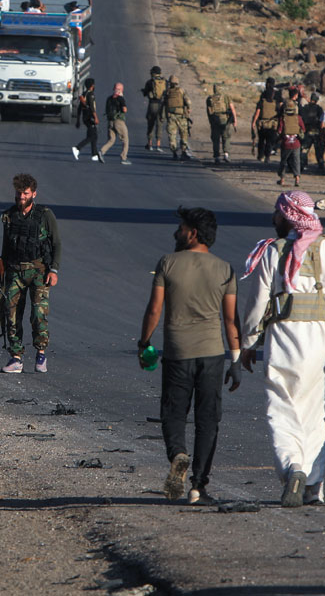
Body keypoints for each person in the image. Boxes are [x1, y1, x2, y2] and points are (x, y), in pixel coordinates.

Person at [239, 190, 325, 507]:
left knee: (282, 407)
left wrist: (247, 344)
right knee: (317, 412)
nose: (273, 218)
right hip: (324, 343)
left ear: (286, 216)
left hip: (284, 339)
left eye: (276, 212)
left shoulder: (273, 252)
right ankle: (314, 485)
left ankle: (293, 468)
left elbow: (257, 304)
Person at [138, 206, 241, 505]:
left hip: (177, 353)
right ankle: (198, 486)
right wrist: (235, 361)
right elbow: (230, 321)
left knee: (173, 412)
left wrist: (144, 342)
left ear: (193, 233)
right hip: (212, 354)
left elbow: (154, 309)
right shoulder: (225, 269)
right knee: (208, 419)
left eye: (181, 228)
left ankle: (178, 455)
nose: (176, 233)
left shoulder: (167, 263)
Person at [0, 173, 60, 374]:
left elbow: (56, 243)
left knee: (38, 314)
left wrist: (54, 270)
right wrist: (3, 273)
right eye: (18, 193)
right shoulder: (9, 216)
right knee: (11, 313)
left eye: (25, 193)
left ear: (34, 194)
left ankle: (41, 353)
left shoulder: (45, 215)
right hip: (15, 271)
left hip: (39, 272)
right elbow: (6, 247)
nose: (21, 197)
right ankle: (16, 357)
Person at [70, 77, 101, 162]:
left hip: (85, 117)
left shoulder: (84, 94)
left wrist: (78, 120)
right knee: (92, 136)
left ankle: (94, 154)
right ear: (92, 85)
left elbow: (80, 107)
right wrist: (96, 117)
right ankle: (77, 148)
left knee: (93, 134)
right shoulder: (91, 94)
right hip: (89, 117)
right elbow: (92, 107)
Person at [100, 82, 132, 165]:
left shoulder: (109, 98)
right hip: (119, 121)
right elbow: (124, 110)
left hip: (110, 121)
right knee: (125, 139)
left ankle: (102, 152)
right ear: (121, 90)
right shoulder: (120, 98)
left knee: (111, 139)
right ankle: (124, 157)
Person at [205, 83, 237, 164]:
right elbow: (232, 109)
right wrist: (235, 120)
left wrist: (211, 122)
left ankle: (216, 157)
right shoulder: (226, 97)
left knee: (215, 139)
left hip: (214, 120)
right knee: (226, 137)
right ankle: (226, 154)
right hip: (225, 120)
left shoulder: (209, 99)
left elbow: (208, 112)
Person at [277, 96, 304, 187]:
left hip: (286, 143)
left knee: (284, 161)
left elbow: (279, 131)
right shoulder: (298, 118)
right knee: (296, 161)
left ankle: (282, 179)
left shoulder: (283, 118)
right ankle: (297, 179)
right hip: (296, 143)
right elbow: (303, 129)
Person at [163, 75, 192, 161]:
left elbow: (164, 104)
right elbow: (188, 102)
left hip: (171, 117)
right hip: (181, 116)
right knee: (184, 134)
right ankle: (183, 152)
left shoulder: (167, 92)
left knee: (172, 135)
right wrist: (189, 109)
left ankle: (174, 152)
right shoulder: (182, 91)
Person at [251, 79, 280, 163]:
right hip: (272, 125)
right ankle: (267, 156)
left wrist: (253, 122)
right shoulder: (275, 104)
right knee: (269, 142)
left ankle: (260, 156)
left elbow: (257, 112)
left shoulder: (262, 102)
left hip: (262, 125)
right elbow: (279, 114)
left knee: (261, 141)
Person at [141, 66, 167, 152]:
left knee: (150, 124)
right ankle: (158, 145)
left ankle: (150, 144)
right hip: (161, 106)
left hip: (152, 105)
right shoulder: (165, 82)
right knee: (159, 125)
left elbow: (145, 93)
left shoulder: (150, 82)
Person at [300, 92, 325, 172]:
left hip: (307, 132)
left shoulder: (305, 108)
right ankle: (321, 165)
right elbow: (322, 122)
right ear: (317, 100)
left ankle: (302, 165)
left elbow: (302, 119)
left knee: (304, 150)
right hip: (316, 132)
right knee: (319, 151)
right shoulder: (319, 109)